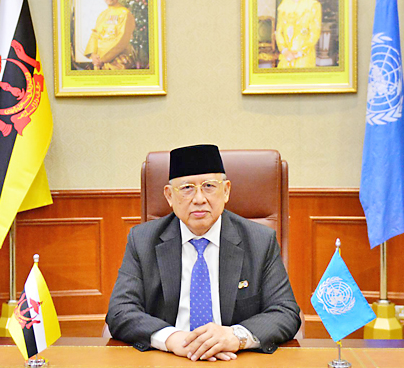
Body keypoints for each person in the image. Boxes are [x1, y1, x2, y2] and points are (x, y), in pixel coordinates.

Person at [107, 144, 301, 362]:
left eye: (209, 186)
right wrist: (170, 338)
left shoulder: (259, 241)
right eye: (187, 188)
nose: (199, 198)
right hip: (168, 359)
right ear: (169, 196)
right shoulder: (142, 240)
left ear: (226, 190)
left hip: (236, 359)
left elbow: (285, 312)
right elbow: (119, 311)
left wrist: (236, 336)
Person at [84, 0, 136, 70]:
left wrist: (103, 59)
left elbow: (122, 39)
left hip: (118, 63)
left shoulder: (125, 14)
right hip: (100, 64)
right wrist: (93, 54)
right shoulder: (102, 15)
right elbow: (95, 35)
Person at [275, 0, 322, 68]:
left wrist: (299, 53)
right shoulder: (283, 8)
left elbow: (315, 33)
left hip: (304, 57)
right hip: (286, 57)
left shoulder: (313, 6)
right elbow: (279, 32)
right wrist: (285, 51)